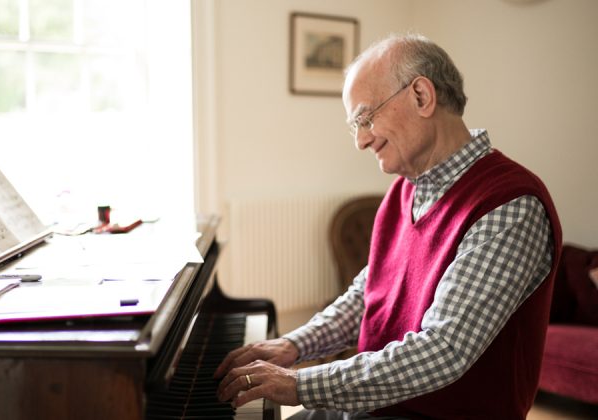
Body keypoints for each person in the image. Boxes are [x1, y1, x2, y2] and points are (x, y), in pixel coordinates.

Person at [214, 33, 562, 419]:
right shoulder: (404, 192)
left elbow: (443, 350)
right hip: (379, 405)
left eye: (365, 117)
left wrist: (299, 385)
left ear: (421, 96)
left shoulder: (508, 205)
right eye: (354, 126)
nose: (361, 140)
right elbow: (368, 293)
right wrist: (294, 345)